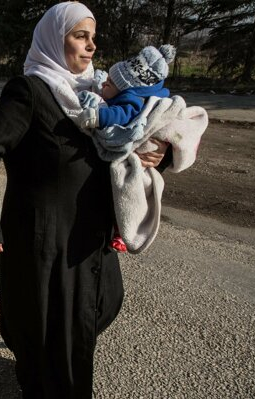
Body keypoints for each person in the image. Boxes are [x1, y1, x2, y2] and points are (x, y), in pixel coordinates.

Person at [0, 1, 168, 399]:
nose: (91, 44)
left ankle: (42, 356)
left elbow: (135, 135)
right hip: (39, 232)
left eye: (93, 35)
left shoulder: (96, 93)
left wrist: (158, 154)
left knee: (104, 302)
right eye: (80, 34)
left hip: (89, 232)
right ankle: (42, 389)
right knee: (42, 317)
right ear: (56, 40)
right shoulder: (30, 91)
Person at [77, 44, 176, 253]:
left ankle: (123, 230)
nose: (104, 84)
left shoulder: (128, 99)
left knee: (126, 194)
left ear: (124, 89)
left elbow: (121, 114)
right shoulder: (118, 90)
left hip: (126, 163)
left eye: (110, 83)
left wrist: (98, 116)